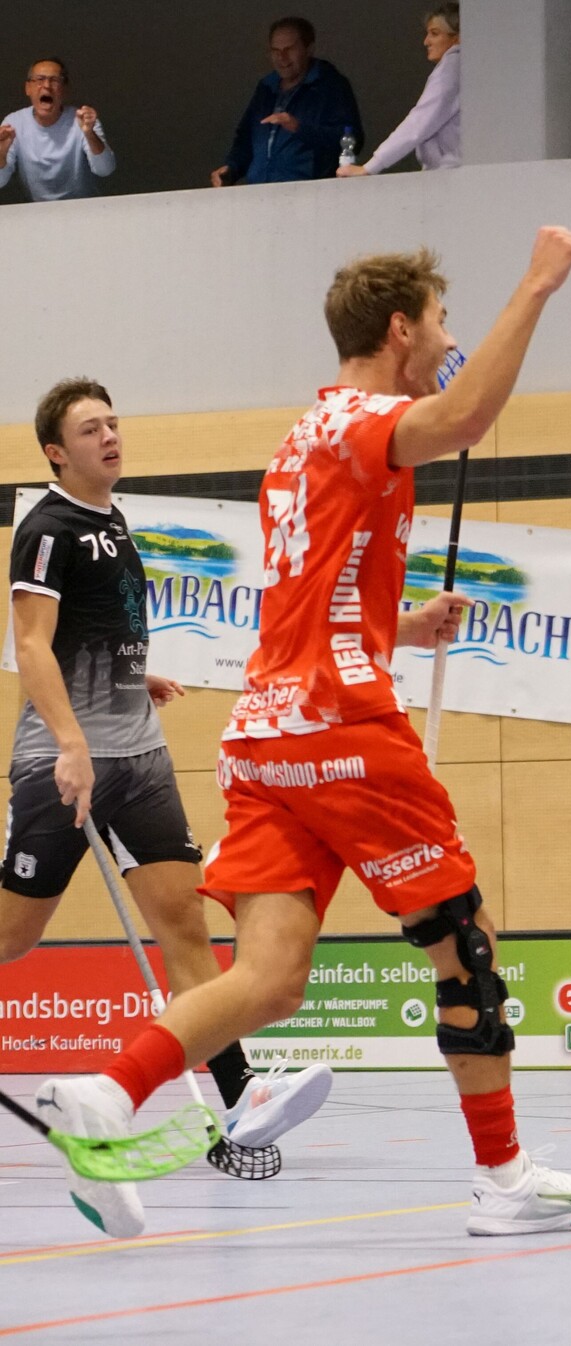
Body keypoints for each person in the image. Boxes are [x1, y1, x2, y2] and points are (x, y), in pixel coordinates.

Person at [37, 229, 571, 1241]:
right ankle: (503, 1178)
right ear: (399, 328)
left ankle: (109, 1093)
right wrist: (539, 282)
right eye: (438, 324)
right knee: (462, 952)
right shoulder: (365, 419)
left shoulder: (305, 433)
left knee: (269, 976)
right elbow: (466, 411)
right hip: (340, 732)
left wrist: (401, 626)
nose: (446, 340)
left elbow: (320, 592)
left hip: (268, 737)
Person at [6, 379, 334, 1189]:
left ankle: (241, 1094)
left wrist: (131, 678)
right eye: (90, 429)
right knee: (15, 934)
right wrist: (73, 740)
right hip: (67, 763)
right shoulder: (46, 529)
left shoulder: (113, 519)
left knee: (184, 923)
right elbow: (33, 646)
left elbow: (93, 630)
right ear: (56, 450)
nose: (109, 437)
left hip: (140, 758)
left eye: (113, 423)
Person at [213, 16, 365, 187]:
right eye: (275, 51)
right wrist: (231, 168)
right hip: (259, 194)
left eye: (289, 49)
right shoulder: (266, 88)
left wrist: (299, 128)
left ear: (309, 49)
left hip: (310, 195)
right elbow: (245, 139)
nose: (282, 57)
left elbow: (352, 140)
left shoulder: (329, 86)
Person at [342, 4, 459, 177]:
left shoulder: (453, 65)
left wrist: (371, 166)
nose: (426, 41)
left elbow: (419, 123)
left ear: (458, 38)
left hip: (451, 176)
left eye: (434, 33)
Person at [0, 60, 115, 202]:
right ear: (28, 88)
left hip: (85, 209)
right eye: (39, 79)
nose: (47, 86)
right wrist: (1, 153)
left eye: (54, 80)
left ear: (64, 89)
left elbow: (105, 170)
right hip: (38, 212)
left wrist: (90, 134)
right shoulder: (14, 123)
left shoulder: (83, 120)